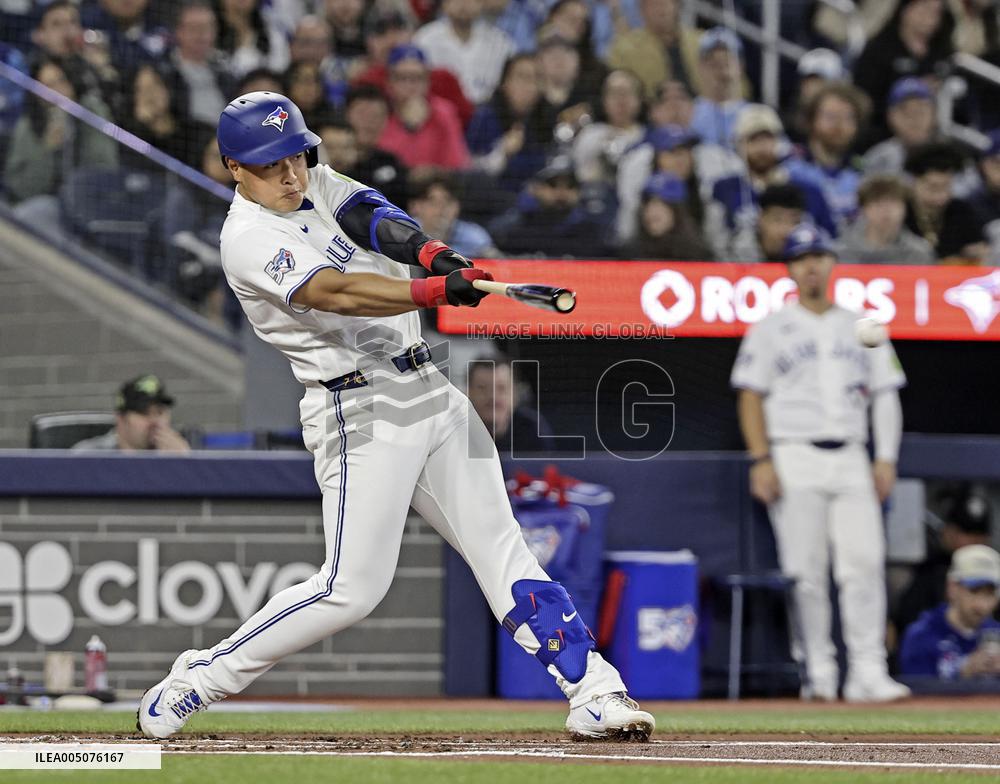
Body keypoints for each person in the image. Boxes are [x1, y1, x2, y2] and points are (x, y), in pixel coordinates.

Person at [136, 91, 654, 743]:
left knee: (504, 549)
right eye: (271, 166)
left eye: (297, 157)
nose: (291, 174)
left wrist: (435, 254)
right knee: (351, 588)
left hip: (430, 388)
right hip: (358, 408)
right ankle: (198, 678)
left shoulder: (313, 181)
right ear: (234, 168)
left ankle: (593, 690)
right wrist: (434, 289)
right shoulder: (246, 238)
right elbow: (341, 292)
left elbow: (370, 213)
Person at [731, 223, 911, 703]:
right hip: (793, 452)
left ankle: (868, 671)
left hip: (852, 454)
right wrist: (761, 459)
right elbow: (751, 396)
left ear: (832, 262)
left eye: (819, 255)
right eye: (802, 258)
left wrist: (886, 457)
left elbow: (886, 396)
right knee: (805, 570)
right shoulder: (771, 328)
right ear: (790, 268)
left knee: (864, 563)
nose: (812, 265)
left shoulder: (861, 323)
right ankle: (818, 670)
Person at [705, 105, 836, 261]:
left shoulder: (808, 191)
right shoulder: (724, 189)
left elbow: (830, 238)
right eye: (753, 140)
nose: (762, 148)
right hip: (742, 268)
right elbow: (713, 238)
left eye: (768, 138)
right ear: (739, 144)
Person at [894, 488, 994, 636]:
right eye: (966, 533)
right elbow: (910, 623)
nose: (974, 541)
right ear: (949, 532)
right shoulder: (929, 572)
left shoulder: (994, 573)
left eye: (979, 535)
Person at [852, 0, 955, 143]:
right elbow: (863, 98)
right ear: (906, 10)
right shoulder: (879, 50)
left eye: (936, 13)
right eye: (924, 10)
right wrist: (913, 91)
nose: (930, 19)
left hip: (933, 130)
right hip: (883, 131)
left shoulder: (943, 53)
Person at [899, 544, 1000, 680]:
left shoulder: (996, 632)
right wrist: (963, 672)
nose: (982, 605)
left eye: (990, 594)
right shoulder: (922, 635)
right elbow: (916, 694)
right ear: (952, 588)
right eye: (974, 591)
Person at [489, 155, 613, 258]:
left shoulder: (592, 232)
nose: (561, 192)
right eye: (552, 185)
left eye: (570, 186)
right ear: (536, 189)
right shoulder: (515, 229)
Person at [785, 82, 870, 228]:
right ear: (810, 120)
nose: (839, 124)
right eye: (830, 116)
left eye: (848, 117)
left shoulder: (862, 173)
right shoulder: (791, 168)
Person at [375, 44, 470, 172]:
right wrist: (408, 128)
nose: (410, 86)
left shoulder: (444, 111)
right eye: (402, 78)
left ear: (428, 82)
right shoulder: (379, 112)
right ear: (389, 82)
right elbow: (381, 161)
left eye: (417, 78)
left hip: (436, 185)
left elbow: (457, 163)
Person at [412, 0, 515, 106]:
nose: (464, 4)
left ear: (481, 4)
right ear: (444, 4)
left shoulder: (501, 42)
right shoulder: (424, 39)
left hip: (488, 113)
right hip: (442, 111)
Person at [903, 142, 986, 262]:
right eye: (933, 187)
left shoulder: (961, 210)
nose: (940, 196)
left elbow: (980, 248)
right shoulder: (901, 212)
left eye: (946, 187)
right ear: (915, 182)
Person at [606, 0, 702, 101]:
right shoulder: (623, 49)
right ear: (642, 10)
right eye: (653, 4)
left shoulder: (701, 41)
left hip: (702, 110)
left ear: (676, 6)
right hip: (649, 112)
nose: (661, 9)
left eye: (665, 3)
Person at [71, 375, 191, 452]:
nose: (155, 421)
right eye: (144, 413)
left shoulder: (178, 454)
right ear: (121, 419)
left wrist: (183, 465)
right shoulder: (91, 455)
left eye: (159, 412)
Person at [835, 174, 936, 265]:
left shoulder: (919, 253)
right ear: (864, 209)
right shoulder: (842, 252)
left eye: (893, 203)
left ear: (904, 208)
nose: (886, 211)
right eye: (878, 204)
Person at [571, 69, 645, 187]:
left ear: (639, 99)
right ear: (604, 100)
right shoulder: (588, 135)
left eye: (627, 93)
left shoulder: (647, 140)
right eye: (614, 93)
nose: (621, 101)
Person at [467, 357, 555, 455]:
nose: (492, 396)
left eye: (501, 388)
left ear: (514, 394)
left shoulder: (532, 429)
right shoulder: (454, 430)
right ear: (468, 393)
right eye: (482, 388)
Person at [618, 172, 711, 261]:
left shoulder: (698, 255)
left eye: (660, 204)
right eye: (647, 203)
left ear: (677, 211)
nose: (651, 211)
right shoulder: (627, 255)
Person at [407, 171, 499, 259]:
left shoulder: (475, 238)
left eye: (448, 202)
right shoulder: (405, 234)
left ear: (457, 207)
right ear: (415, 206)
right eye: (433, 202)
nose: (441, 209)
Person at [861, 78, 937, 177]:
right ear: (890, 116)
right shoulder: (879, 158)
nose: (914, 118)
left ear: (934, 115)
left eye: (921, 110)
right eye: (905, 111)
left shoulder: (952, 153)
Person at [689, 27, 747, 151]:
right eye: (713, 64)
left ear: (740, 67)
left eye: (727, 63)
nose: (721, 72)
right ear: (700, 67)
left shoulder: (754, 114)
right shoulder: (688, 114)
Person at [728, 183, 807, 263]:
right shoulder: (738, 253)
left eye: (794, 222)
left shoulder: (807, 250)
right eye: (777, 220)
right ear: (760, 219)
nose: (785, 232)